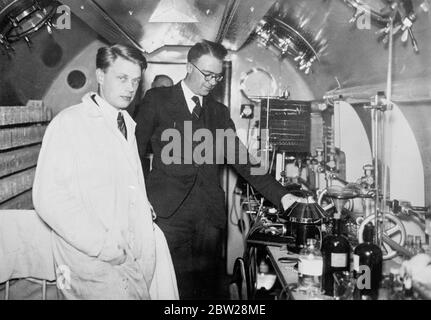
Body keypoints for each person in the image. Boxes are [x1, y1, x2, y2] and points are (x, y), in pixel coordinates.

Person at [134, 40, 300, 299]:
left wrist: (283, 196)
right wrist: (139, 199)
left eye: (217, 76)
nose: (212, 82)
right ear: (189, 67)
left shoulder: (219, 113)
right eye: (207, 74)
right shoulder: (158, 100)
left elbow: (243, 161)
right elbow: (134, 151)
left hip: (208, 218)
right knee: (171, 289)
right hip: (167, 214)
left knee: (204, 291)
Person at [32, 44, 178, 300]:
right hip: (91, 263)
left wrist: (142, 208)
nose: (130, 88)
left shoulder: (125, 125)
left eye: (135, 80)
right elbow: (49, 198)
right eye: (122, 78)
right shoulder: (70, 123)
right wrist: (102, 245)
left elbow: (117, 184)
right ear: (100, 76)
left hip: (125, 262)